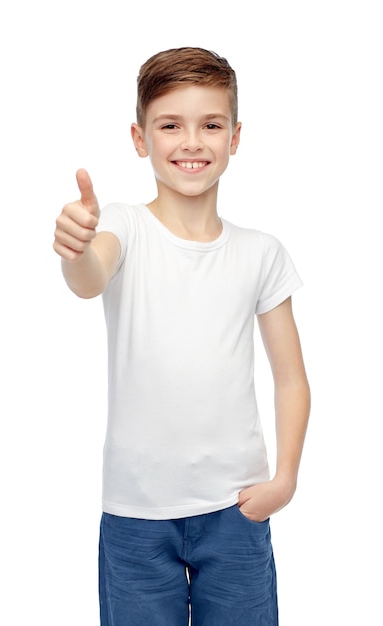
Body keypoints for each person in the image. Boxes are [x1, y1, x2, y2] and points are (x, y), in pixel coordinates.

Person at [53, 47, 310, 626]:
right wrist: (76, 248)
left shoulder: (261, 253)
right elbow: (90, 276)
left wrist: (286, 478)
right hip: (136, 516)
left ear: (235, 137)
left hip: (236, 509)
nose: (191, 142)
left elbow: (291, 378)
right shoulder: (122, 224)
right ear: (141, 138)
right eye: (170, 125)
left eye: (210, 125)